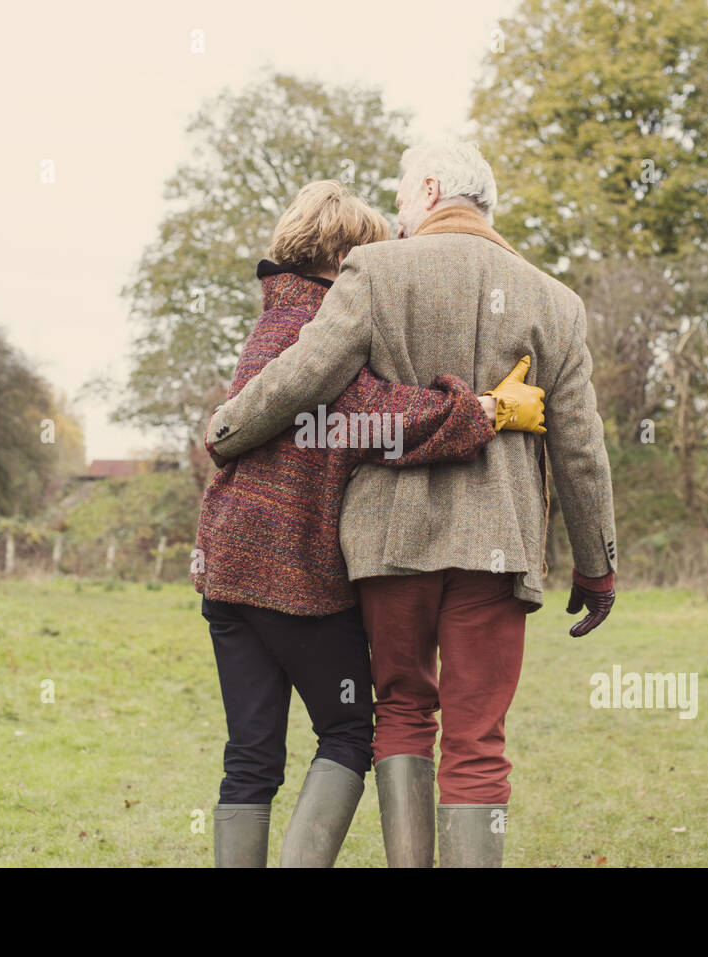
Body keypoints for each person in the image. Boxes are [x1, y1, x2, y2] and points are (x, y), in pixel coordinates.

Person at [206, 142, 618, 868]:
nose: (397, 212)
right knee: (477, 736)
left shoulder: (375, 271)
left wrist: (228, 425)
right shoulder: (555, 301)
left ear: (429, 187)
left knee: (398, 712)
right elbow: (581, 446)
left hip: (387, 549)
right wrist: (597, 565)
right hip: (498, 543)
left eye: (400, 194)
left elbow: (304, 376)